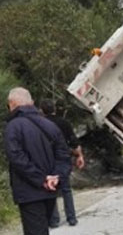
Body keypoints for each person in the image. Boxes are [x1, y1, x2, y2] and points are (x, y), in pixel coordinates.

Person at [3, 88, 71, 235]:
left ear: (11, 104)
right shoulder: (50, 125)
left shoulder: (13, 127)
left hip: (28, 191)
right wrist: (56, 176)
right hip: (51, 189)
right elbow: (64, 155)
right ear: (32, 102)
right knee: (42, 228)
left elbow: (16, 157)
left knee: (35, 231)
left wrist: (41, 179)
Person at [39, 99, 85, 228]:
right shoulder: (64, 123)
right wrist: (79, 156)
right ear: (54, 109)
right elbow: (74, 142)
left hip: (47, 160)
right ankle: (72, 218)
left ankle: (53, 220)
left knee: (50, 188)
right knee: (66, 189)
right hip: (63, 159)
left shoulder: (40, 124)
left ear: (41, 111)